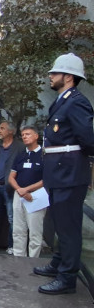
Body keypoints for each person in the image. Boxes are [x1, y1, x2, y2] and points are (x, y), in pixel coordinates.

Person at [35, 53, 94, 295]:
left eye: (55, 73)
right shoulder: (62, 100)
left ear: (68, 77)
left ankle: (67, 277)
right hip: (59, 172)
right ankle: (60, 262)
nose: (50, 76)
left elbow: (88, 139)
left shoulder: (76, 101)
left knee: (68, 226)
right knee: (60, 222)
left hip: (69, 173)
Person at [0, 121, 25, 254]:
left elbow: (22, 166)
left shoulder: (19, 147)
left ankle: (12, 246)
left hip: (10, 187)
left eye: (2, 128)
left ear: (11, 131)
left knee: (12, 217)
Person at [9, 125, 46, 258]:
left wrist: (27, 190)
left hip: (36, 197)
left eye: (28, 134)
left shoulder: (43, 155)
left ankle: (33, 260)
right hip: (19, 195)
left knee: (35, 232)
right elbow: (11, 177)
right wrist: (20, 190)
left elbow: (46, 180)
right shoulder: (21, 155)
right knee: (18, 230)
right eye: (23, 135)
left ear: (36, 136)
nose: (24, 136)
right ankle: (19, 258)